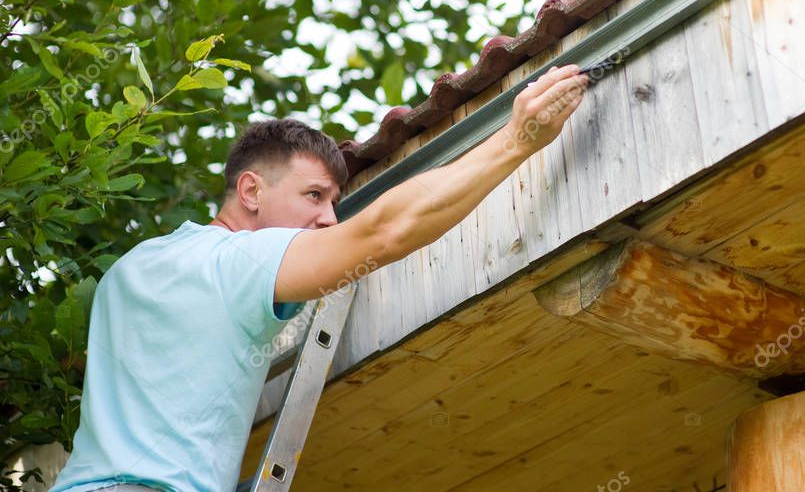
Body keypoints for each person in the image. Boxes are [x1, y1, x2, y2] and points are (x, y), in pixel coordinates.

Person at [48, 64, 589, 492]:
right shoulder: (236, 262)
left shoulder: (133, 269)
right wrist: (518, 139)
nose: (329, 219)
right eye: (314, 196)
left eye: (334, 202)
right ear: (251, 192)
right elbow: (386, 231)